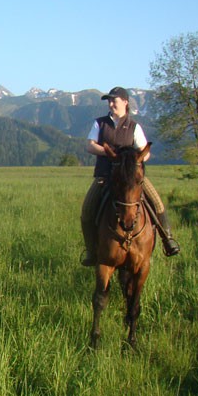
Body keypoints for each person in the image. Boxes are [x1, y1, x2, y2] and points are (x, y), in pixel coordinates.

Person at [80, 86, 180, 265]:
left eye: (114, 100)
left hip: (131, 177)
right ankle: (91, 250)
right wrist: (110, 153)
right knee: (87, 209)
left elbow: (145, 153)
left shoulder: (134, 126)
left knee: (157, 203)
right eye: (109, 101)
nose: (111, 104)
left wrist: (133, 160)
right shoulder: (100, 123)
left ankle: (168, 239)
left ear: (125, 102)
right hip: (105, 176)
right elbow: (90, 145)